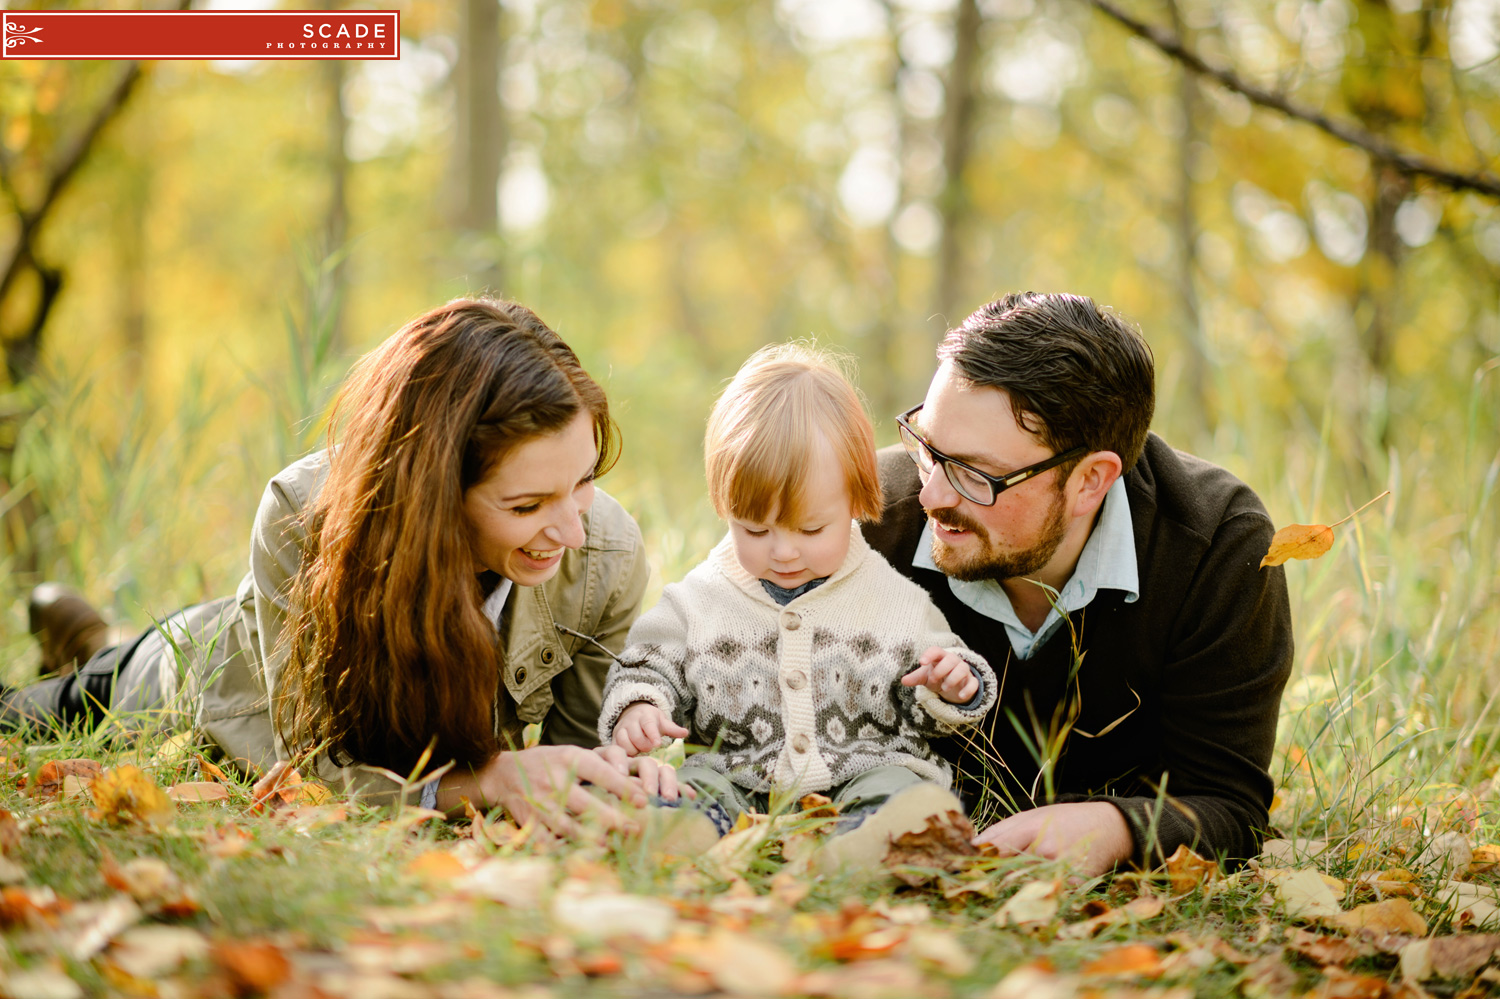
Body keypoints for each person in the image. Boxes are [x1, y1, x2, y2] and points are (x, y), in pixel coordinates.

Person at [5, 298, 670, 836]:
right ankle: (95, 649)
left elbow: (583, 758)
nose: (571, 528)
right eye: (527, 504)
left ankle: (88, 634)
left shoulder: (605, 555)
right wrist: (487, 781)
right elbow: (306, 771)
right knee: (42, 710)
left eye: (584, 480)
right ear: (435, 494)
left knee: (102, 655)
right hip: (204, 680)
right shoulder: (305, 517)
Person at [862, 292, 1293, 875]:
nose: (933, 495)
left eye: (974, 474)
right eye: (927, 448)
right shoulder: (862, 518)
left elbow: (1229, 805)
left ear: (1091, 480)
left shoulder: (1218, 547)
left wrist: (1115, 828)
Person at [598, 343, 997, 863]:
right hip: (736, 776)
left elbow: (936, 691)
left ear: (856, 501)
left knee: (906, 790)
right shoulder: (698, 601)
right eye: (755, 528)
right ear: (724, 506)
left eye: (811, 529)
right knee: (688, 789)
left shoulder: (894, 599)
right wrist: (640, 705)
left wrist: (954, 684)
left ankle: (869, 850)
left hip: (864, 771)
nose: (784, 551)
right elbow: (647, 663)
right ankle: (681, 840)